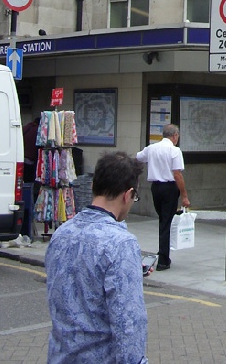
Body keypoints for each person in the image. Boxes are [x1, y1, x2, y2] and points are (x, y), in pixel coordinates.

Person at [45, 152, 149, 364]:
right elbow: (128, 323)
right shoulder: (121, 244)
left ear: (94, 186)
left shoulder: (61, 234)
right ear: (127, 195)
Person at [136, 124, 190, 271]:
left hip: (155, 188)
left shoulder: (151, 148)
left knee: (163, 220)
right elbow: (177, 174)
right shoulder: (175, 150)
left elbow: (138, 157)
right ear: (175, 136)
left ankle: (163, 252)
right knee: (166, 223)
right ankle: (163, 260)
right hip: (169, 188)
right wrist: (184, 196)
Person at [20, 116, 41, 241]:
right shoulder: (37, 131)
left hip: (22, 160)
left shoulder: (26, 127)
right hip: (31, 163)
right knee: (30, 186)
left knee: (25, 186)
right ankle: (31, 207)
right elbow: (36, 148)